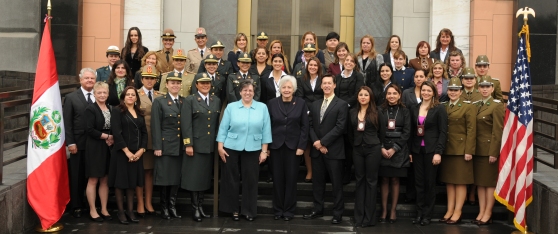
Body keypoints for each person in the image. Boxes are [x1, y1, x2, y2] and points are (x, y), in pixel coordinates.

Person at [217, 80, 272, 221]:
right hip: (231, 146)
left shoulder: (262, 107)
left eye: (250, 91)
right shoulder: (231, 107)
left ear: (254, 93)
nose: (248, 93)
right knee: (231, 178)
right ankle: (233, 209)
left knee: (251, 179)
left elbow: (266, 130)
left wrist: (264, 151)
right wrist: (220, 146)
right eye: (245, 90)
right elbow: (223, 128)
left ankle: (249, 211)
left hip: (254, 147)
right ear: (240, 92)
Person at [303, 74, 348, 224]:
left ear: (335, 85)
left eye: (330, 83)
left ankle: (337, 213)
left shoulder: (341, 104)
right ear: (321, 86)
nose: (327, 86)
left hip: (333, 151)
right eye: (324, 83)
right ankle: (317, 209)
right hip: (317, 151)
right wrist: (316, 142)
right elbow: (309, 125)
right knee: (317, 182)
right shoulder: (315, 104)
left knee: (336, 183)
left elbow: (340, 127)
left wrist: (323, 143)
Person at [267, 75, 309, 221]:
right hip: (276, 146)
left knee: (291, 179)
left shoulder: (301, 103)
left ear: (294, 89)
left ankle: (289, 211)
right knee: (277, 179)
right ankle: (278, 210)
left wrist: (301, 146)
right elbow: (267, 126)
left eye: (289, 87)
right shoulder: (272, 103)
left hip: (294, 147)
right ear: (280, 88)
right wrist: (266, 146)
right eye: (284, 87)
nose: (286, 90)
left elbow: (305, 126)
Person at [181, 76, 222, 222]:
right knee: (194, 179)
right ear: (196, 85)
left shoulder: (215, 100)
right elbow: (186, 124)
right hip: (195, 146)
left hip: (209, 145)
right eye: (202, 83)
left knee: (204, 178)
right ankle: (195, 208)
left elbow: (217, 124)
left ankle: (201, 206)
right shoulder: (190, 100)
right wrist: (188, 144)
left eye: (208, 83)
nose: (205, 85)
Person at [409, 81, 447, 226]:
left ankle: (427, 215)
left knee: (429, 183)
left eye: (428, 91)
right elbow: (412, 131)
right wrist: (410, 151)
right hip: (417, 150)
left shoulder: (439, 108)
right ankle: (419, 214)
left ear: (433, 93)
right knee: (418, 183)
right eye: (423, 90)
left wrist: (439, 152)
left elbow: (443, 132)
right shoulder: (414, 108)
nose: (425, 93)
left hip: (432, 151)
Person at [439, 77, 476, 224]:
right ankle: (450, 209)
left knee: (460, 182)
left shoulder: (468, 107)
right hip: (448, 149)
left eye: (456, 90)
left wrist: (469, 150)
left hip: (461, 150)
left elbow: (471, 130)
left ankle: (458, 211)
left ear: (461, 92)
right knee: (449, 181)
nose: (453, 93)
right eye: (451, 90)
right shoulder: (444, 106)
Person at [108, 86, 147, 225]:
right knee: (120, 183)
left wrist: (141, 150)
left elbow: (144, 133)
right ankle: (121, 211)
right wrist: (127, 152)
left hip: (137, 154)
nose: (130, 96)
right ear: (123, 97)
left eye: (133, 94)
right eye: (128, 94)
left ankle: (130, 211)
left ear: (136, 97)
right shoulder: (118, 111)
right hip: (121, 153)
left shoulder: (139, 112)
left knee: (132, 183)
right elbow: (117, 133)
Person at [151, 72, 185, 220]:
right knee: (164, 178)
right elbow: (155, 126)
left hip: (179, 146)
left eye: (178, 83)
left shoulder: (184, 101)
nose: (175, 85)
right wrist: (157, 146)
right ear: (166, 84)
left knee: (175, 178)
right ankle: (164, 207)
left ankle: (172, 206)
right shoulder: (159, 101)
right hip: (165, 146)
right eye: (172, 83)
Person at [63, 68, 96, 218]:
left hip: (95, 144)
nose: (89, 80)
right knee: (77, 176)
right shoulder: (71, 98)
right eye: (87, 78)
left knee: (93, 175)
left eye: (92, 78)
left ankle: (92, 204)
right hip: (78, 143)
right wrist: (70, 143)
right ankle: (76, 205)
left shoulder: (99, 95)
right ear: (80, 79)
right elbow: (67, 122)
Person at [473, 76, 504, 225]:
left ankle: (488, 212)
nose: (484, 89)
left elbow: (497, 131)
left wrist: (494, 152)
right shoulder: (477, 104)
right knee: (480, 183)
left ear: (492, 89)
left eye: (487, 87)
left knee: (489, 183)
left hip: (488, 150)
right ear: (478, 89)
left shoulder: (496, 105)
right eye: (482, 87)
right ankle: (481, 210)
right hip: (477, 150)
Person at [349, 86, 382, 227]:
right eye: (361, 94)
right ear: (357, 97)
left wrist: (377, 144)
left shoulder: (377, 111)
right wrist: (356, 144)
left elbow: (382, 132)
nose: (363, 97)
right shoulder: (352, 112)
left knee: (371, 182)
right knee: (359, 181)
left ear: (370, 97)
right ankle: (359, 217)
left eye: (366, 95)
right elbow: (349, 132)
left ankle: (369, 218)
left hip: (373, 149)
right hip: (357, 149)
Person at [378, 84, 410, 224]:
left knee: (395, 180)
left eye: (394, 93)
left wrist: (395, 148)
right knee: (384, 179)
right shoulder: (380, 110)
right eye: (389, 93)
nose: (391, 96)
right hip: (383, 148)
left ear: (399, 95)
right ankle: (384, 210)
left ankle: (393, 211)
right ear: (386, 95)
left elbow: (407, 132)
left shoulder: (405, 111)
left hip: (399, 150)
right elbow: (375, 129)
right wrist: (381, 147)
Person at [84, 82, 113, 222]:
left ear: (108, 94)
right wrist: (107, 136)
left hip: (108, 147)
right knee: (93, 178)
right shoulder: (90, 109)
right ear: (94, 94)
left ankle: (104, 208)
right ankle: (92, 210)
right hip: (95, 147)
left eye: (104, 93)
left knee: (105, 179)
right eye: (99, 93)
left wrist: (111, 137)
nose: (102, 95)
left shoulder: (111, 108)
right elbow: (89, 129)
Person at [335, 53, 365, 184]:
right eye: (346, 60)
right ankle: (338, 172)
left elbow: (358, 94)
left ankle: (348, 173)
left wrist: (344, 105)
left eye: (351, 61)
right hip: (338, 112)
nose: (348, 63)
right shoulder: (337, 77)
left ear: (354, 64)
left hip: (351, 111)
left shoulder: (358, 76)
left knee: (349, 143)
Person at [136, 65, 161, 217]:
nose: (149, 80)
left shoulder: (160, 95)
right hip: (140, 140)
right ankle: (139, 203)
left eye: (152, 78)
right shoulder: (135, 94)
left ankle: (148, 202)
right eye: (147, 78)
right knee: (140, 172)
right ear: (142, 79)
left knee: (149, 173)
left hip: (155, 140)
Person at [295, 57, 324, 183]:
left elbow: (324, 95)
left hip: (321, 112)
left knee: (320, 140)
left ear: (319, 67)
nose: (312, 67)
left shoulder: (323, 79)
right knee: (307, 143)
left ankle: (321, 172)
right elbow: (300, 97)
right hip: (306, 113)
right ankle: (310, 171)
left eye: (315, 65)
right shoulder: (302, 79)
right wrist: (307, 111)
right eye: (310, 65)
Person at [400, 69, 427, 204]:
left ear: (425, 78)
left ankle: (422, 198)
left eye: (421, 76)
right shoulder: (406, 93)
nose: (418, 79)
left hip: (425, 133)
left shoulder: (429, 92)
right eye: (416, 76)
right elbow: (404, 110)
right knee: (412, 168)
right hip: (410, 130)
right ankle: (410, 194)